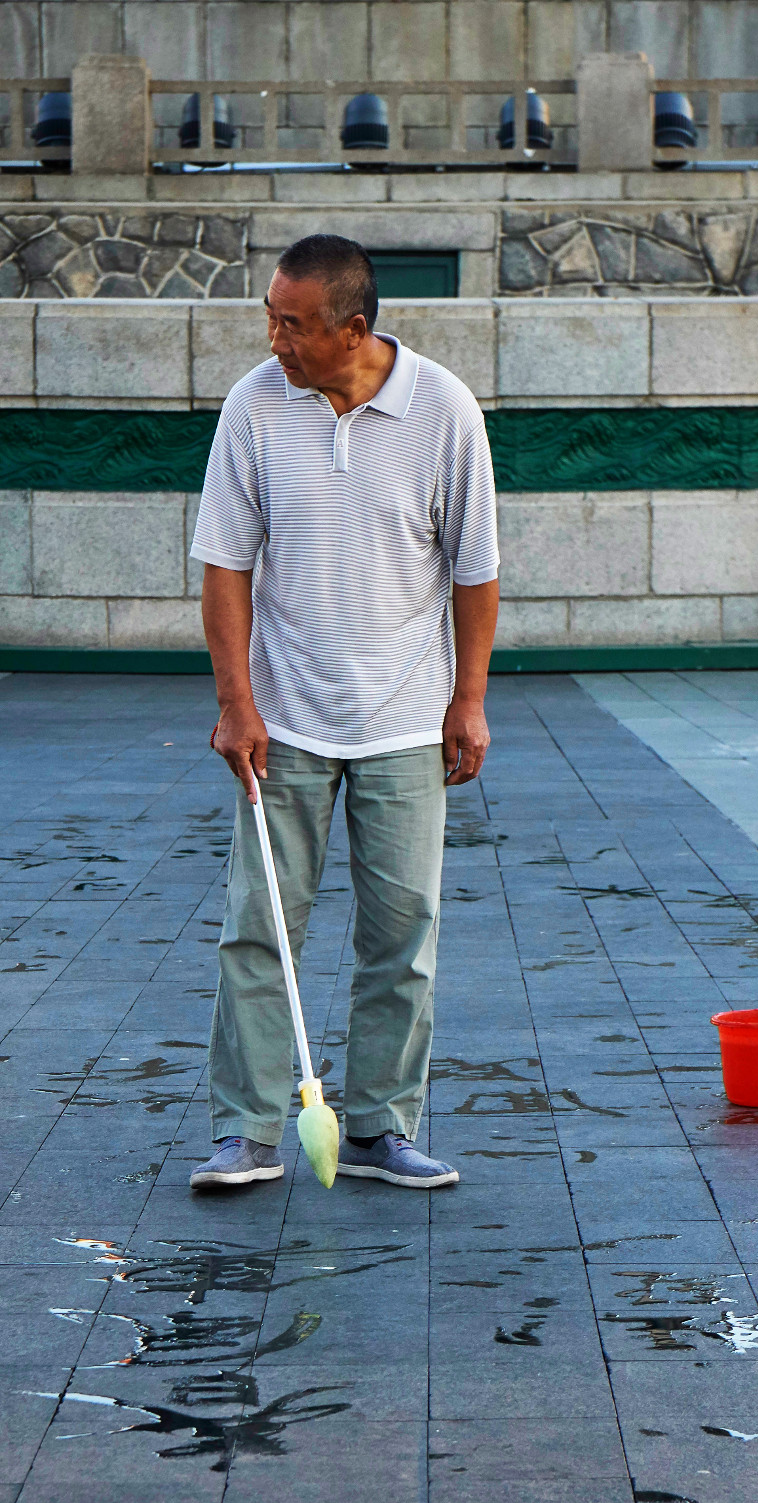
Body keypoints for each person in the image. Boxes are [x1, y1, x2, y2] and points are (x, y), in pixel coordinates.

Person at [188, 233, 499, 1192]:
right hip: (284, 718)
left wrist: (470, 700)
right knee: (259, 927)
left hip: (405, 716)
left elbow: (474, 570)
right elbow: (226, 565)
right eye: (270, 319)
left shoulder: (443, 409)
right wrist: (237, 704)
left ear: (352, 328)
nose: (274, 339)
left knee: (402, 932)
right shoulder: (254, 406)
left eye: (292, 324)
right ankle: (247, 1131)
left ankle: (377, 1130)